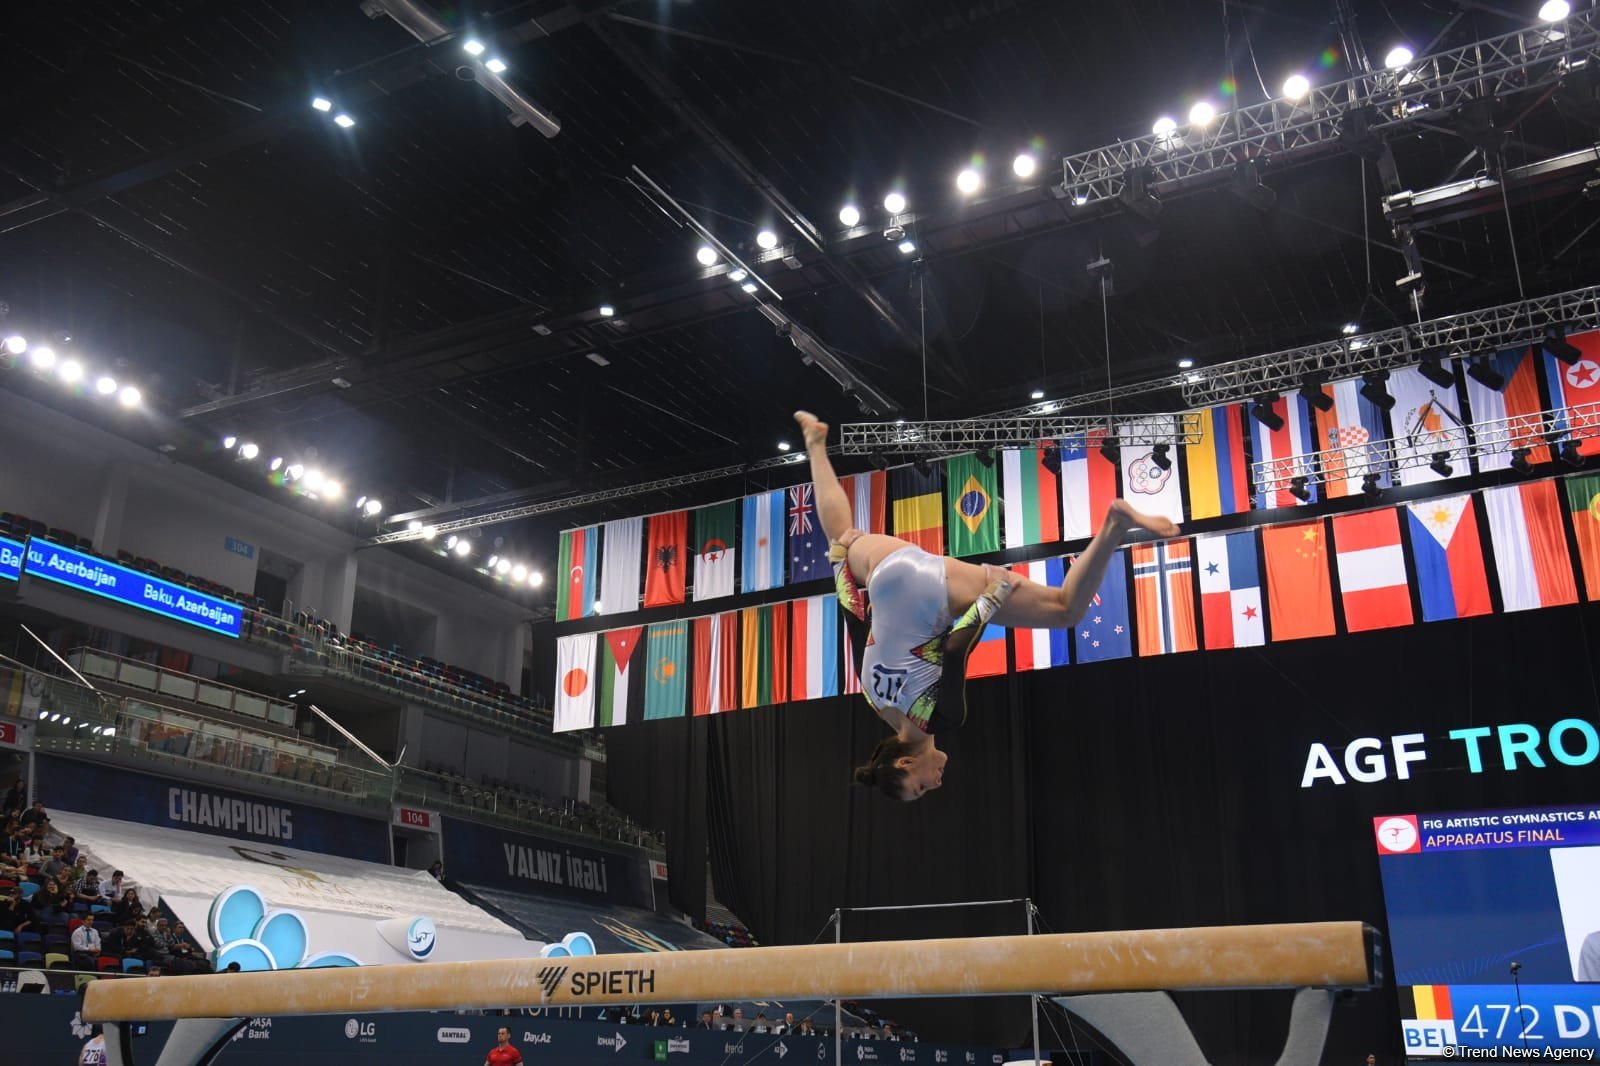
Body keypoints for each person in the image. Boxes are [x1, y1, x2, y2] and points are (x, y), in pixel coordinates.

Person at [793, 411, 1179, 801]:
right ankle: (815, 443)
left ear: (904, 763)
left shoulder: (938, 720)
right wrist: (841, 564)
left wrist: (991, 596)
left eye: (922, 786)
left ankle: (1114, 524)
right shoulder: (873, 700)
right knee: (839, 534)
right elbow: (857, 627)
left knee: (1066, 610)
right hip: (885, 572)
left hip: (931, 591)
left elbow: (956, 648)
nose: (937, 783)